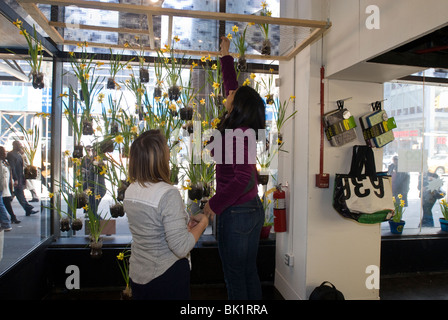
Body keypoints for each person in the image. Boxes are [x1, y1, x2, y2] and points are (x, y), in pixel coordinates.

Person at [202, 36, 266, 300]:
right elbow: (232, 83)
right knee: (247, 271)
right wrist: (226, 55)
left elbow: (241, 179)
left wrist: (214, 205)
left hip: (237, 212)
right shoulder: (239, 126)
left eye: (231, 95)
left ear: (238, 104)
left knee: (235, 277)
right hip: (248, 210)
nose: (227, 93)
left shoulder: (239, 132)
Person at [123, 130, 209, 300]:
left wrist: (183, 227)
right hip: (165, 278)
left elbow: (152, 229)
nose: (169, 156)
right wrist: (203, 223)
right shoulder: (168, 194)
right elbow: (181, 247)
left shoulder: (130, 190)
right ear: (160, 159)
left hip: (138, 275)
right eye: (166, 151)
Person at [6, 141, 38, 217]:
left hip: (20, 177)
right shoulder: (11, 154)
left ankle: (28, 209)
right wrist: (15, 179)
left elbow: (21, 166)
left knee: (19, 194)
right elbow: (13, 167)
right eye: (19, 145)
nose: (20, 147)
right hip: (15, 178)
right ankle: (27, 208)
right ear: (14, 146)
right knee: (17, 194)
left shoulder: (18, 154)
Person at [82, 145, 106, 218]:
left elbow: (102, 170)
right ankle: (92, 212)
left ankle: (92, 212)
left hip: (98, 182)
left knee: (98, 194)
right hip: (94, 183)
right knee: (95, 196)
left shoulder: (97, 159)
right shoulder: (90, 159)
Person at [0, 146, 20, 224]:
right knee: (6, 203)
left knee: (5, 203)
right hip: (5, 185)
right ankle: (12, 218)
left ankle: (8, 220)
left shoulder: (3, 163)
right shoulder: (4, 162)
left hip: (4, 186)